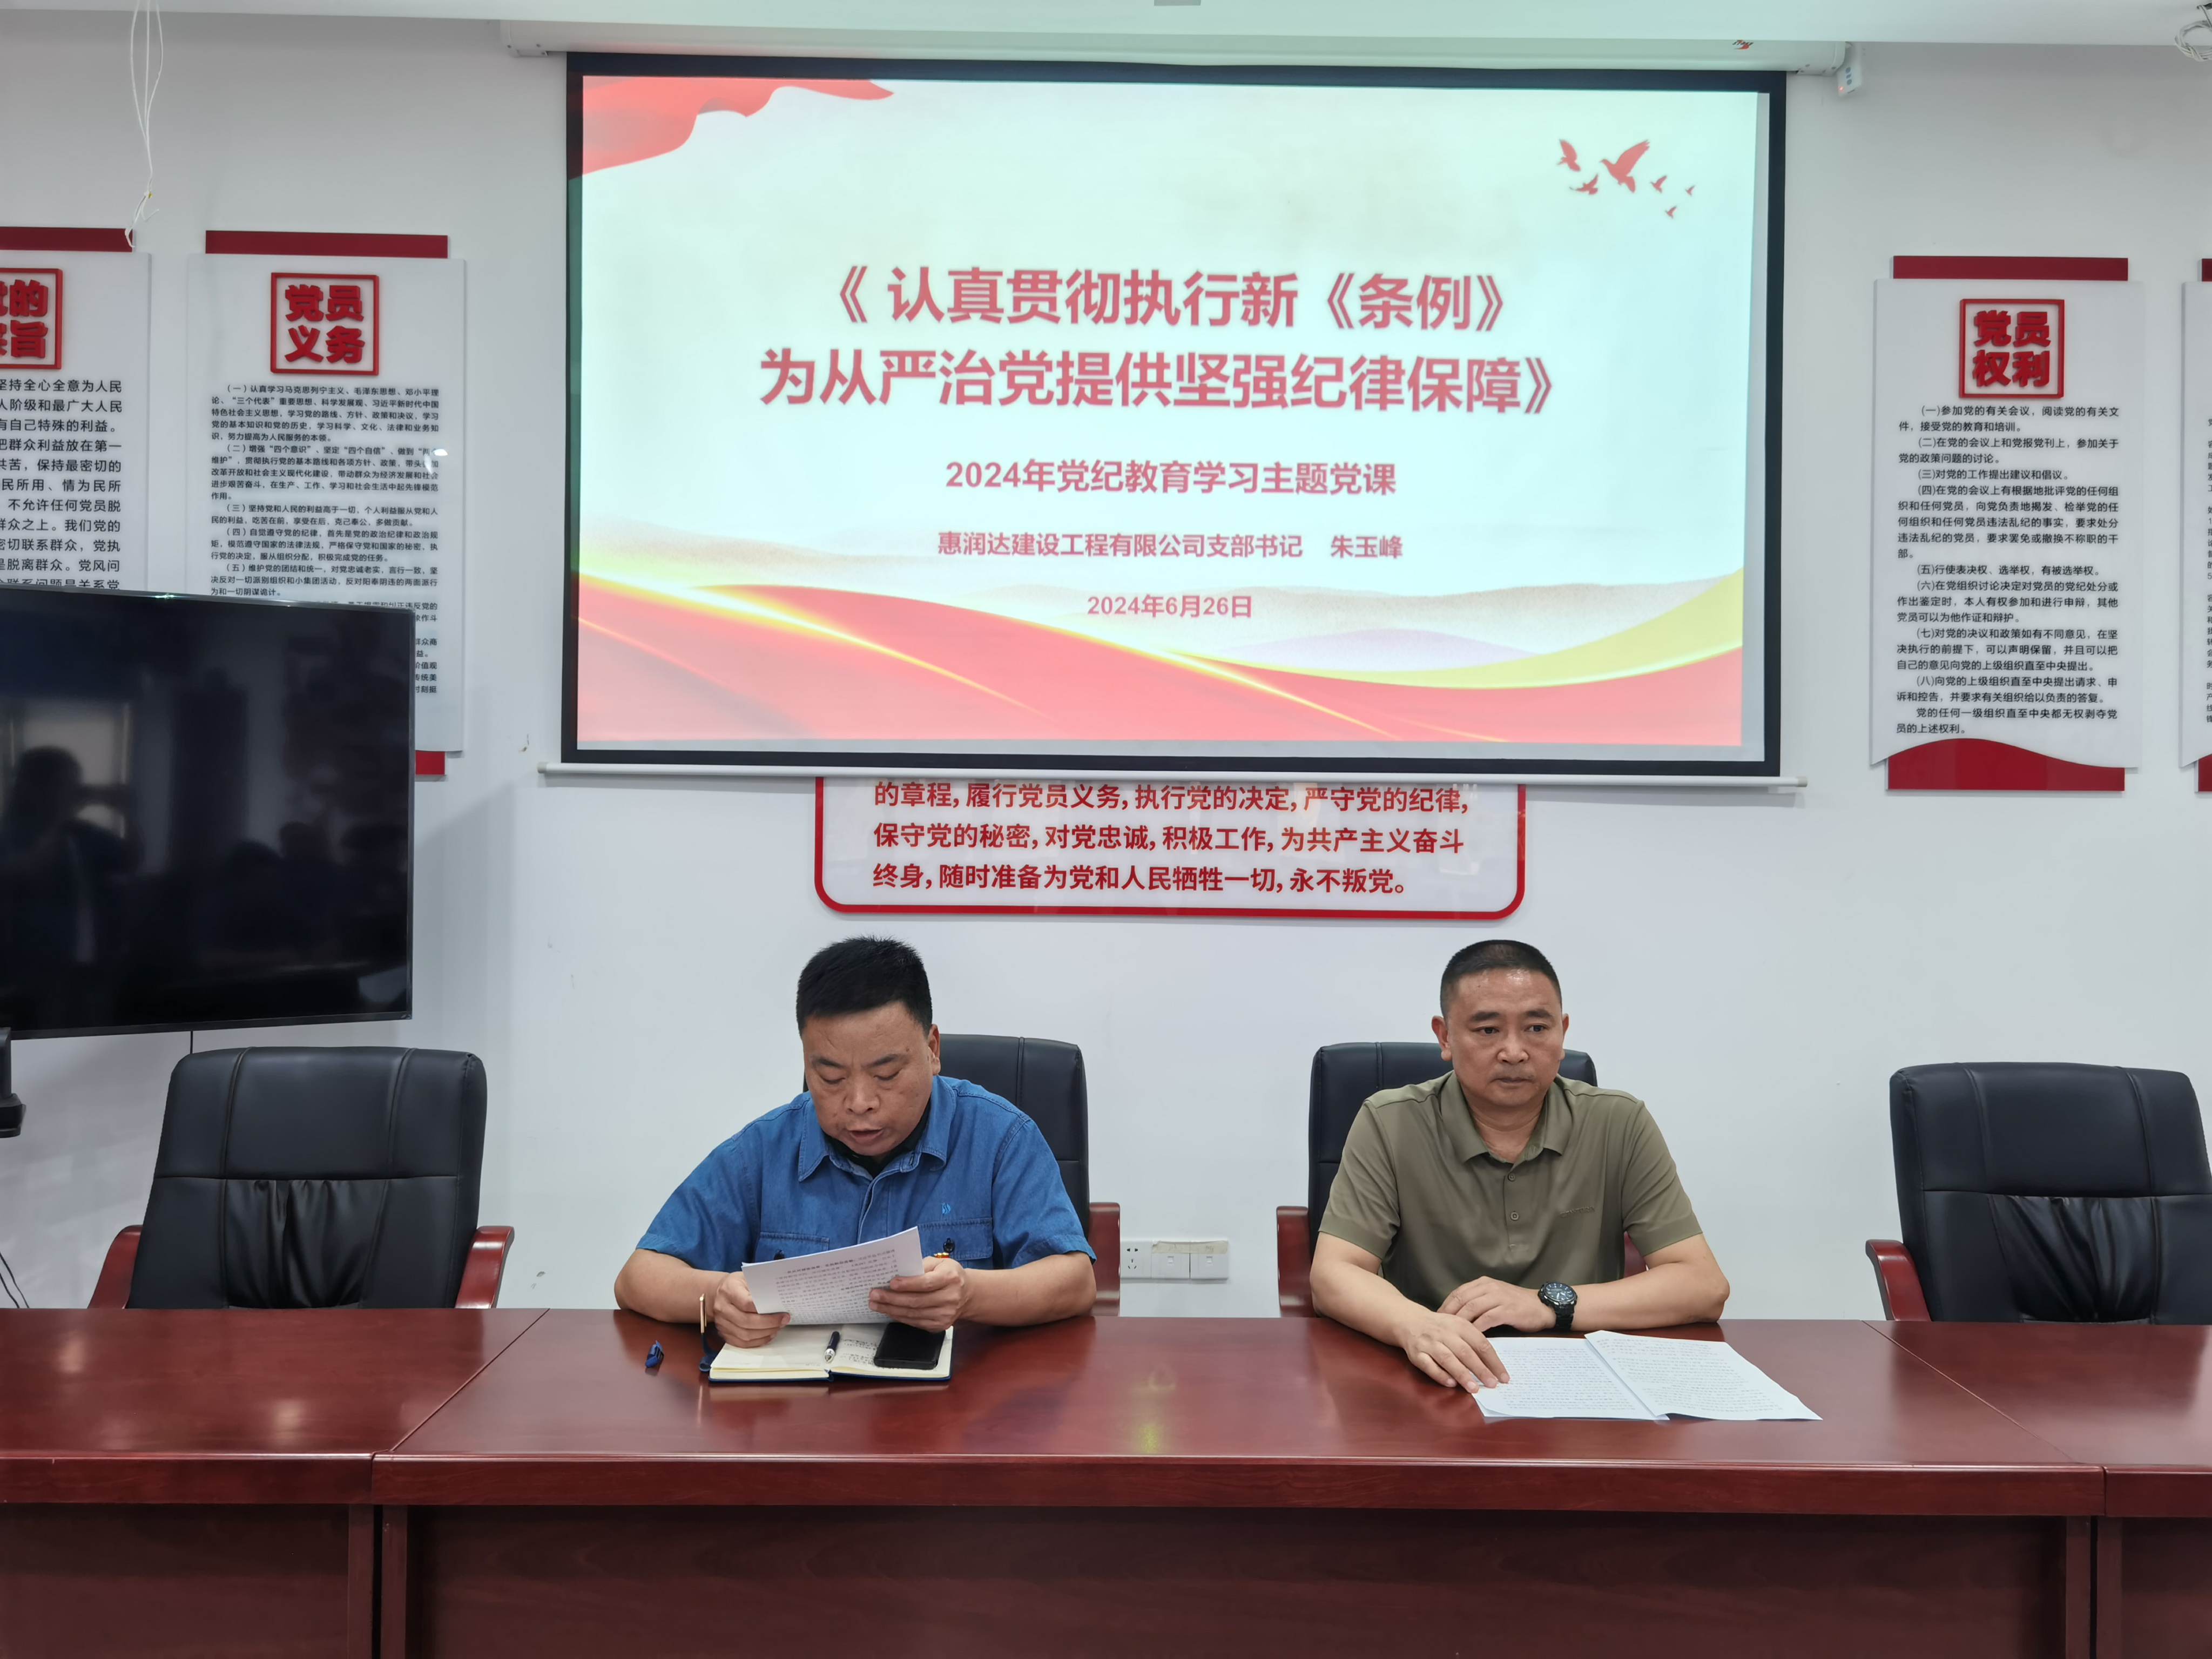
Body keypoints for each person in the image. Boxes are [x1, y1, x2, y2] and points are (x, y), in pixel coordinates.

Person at [615, 936, 1096, 1343]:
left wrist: (971, 1294)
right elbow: (638, 1278)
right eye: (831, 1078)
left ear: (932, 1050)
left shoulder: (1001, 1138)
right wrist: (718, 1297)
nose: (860, 1102)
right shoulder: (762, 1151)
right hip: (801, 1411)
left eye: (886, 1075)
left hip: (960, 1407)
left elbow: (1075, 1281)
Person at [1310, 939, 1729, 1392]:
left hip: (1582, 1381)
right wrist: (1417, 1326)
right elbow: (1334, 1274)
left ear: (1562, 1033)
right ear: (1445, 1037)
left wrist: (1545, 1305)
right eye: (1488, 1030)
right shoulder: (1389, 1122)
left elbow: (1702, 1285)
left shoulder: (1619, 1122)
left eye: (1536, 1028)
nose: (1514, 1051)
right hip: (1439, 1375)